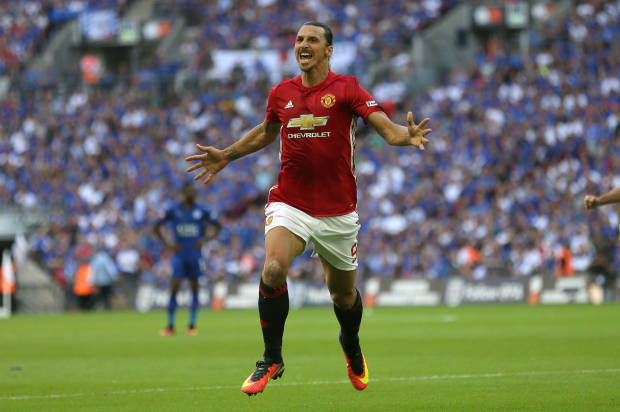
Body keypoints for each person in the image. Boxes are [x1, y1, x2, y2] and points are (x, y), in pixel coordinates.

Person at [185, 21, 431, 395]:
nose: (303, 44)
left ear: (328, 50)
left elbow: (384, 127)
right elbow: (267, 132)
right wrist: (228, 155)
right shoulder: (281, 92)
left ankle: (351, 344)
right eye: (299, 39)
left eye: (312, 40)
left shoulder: (346, 88)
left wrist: (405, 135)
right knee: (272, 269)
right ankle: (272, 358)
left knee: (343, 296)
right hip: (291, 203)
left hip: (338, 212)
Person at [154, 181, 221, 336]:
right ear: (184, 193)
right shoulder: (173, 210)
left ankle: (191, 325)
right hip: (179, 255)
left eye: (194, 192)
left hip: (195, 255)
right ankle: (170, 325)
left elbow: (218, 226)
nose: (193, 194)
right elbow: (156, 227)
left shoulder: (201, 211)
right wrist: (168, 244)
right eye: (190, 192)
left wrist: (204, 241)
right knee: (174, 288)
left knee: (194, 289)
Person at [90, 242, 119, 310]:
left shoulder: (95, 259)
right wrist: (114, 278)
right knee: (106, 296)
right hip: (106, 281)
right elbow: (110, 269)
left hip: (99, 281)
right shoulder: (106, 258)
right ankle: (106, 308)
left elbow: (93, 271)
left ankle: (99, 308)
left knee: (100, 296)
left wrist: (92, 281)